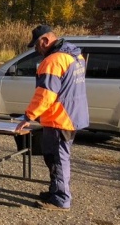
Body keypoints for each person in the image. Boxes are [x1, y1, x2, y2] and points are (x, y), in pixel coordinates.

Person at [15, 25, 89, 211]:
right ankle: (56, 190)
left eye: (37, 46)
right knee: (56, 156)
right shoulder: (75, 56)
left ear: (45, 41)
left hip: (60, 119)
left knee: (57, 159)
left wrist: (28, 116)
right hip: (71, 115)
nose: (36, 50)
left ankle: (61, 198)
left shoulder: (53, 61)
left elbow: (45, 94)